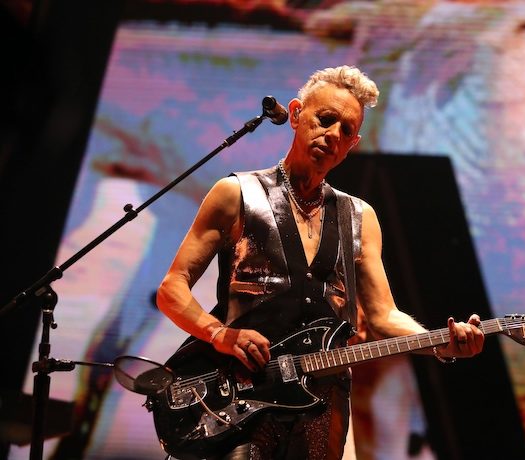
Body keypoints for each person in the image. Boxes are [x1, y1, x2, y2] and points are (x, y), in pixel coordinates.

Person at [156, 65, 485, 460]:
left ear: (353, 144)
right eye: (325, 120)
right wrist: (220, 335)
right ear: (295, 115)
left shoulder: (360, 217)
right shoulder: (236, 193)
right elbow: (172, 289)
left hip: (321, 406)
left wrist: (441, 344)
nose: (333, 136)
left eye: (346, 131)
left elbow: (382, 316)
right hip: (239, 399)